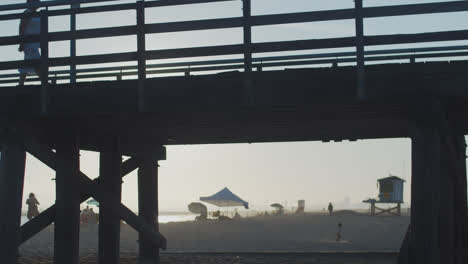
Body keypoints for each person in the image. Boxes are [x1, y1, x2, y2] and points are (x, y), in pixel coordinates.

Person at [18, 0, 41, 86]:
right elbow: (22, 28)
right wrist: (21, 42)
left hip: (35, 43)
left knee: (27, 63)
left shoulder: (38, 13)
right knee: (37, 62)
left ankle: (21, 83)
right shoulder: (27, 13)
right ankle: (44, 81)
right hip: (29, 42)